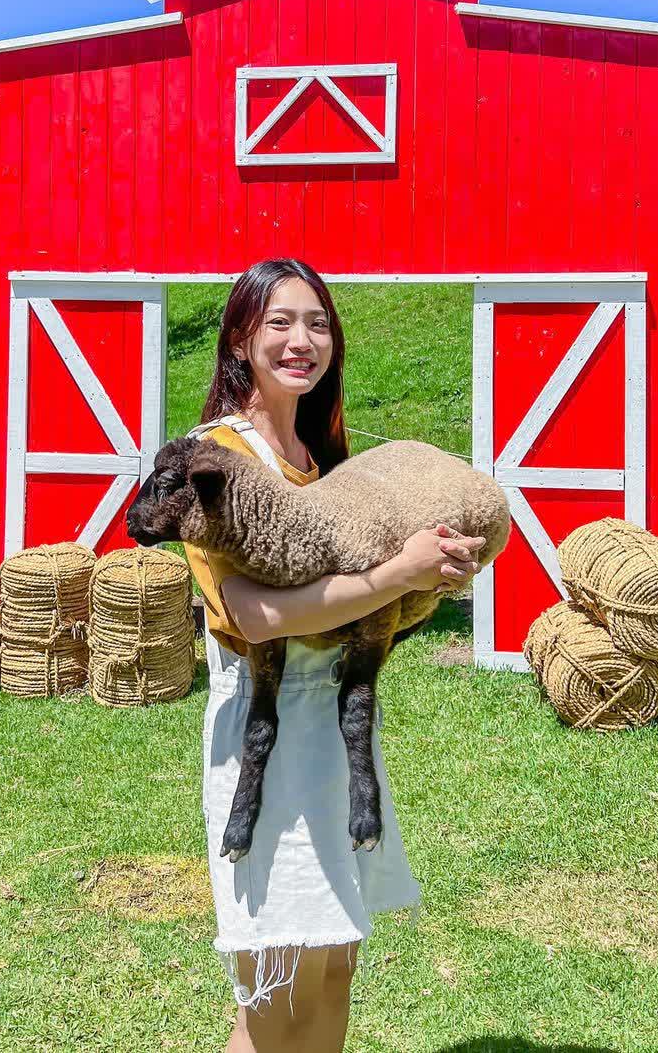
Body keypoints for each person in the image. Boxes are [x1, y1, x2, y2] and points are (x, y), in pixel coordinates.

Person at [182, 259, 486, 1053]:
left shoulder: (318, 465)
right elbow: (251, 616)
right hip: (267, 746)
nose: (301, 340)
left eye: (318, 323)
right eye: (280, 321)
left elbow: (362, 610)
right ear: (241, 336)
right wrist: (396, 573)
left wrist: (429, 578)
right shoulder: (213, 458)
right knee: (274, 988)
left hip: (335, 745)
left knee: (331, 965)